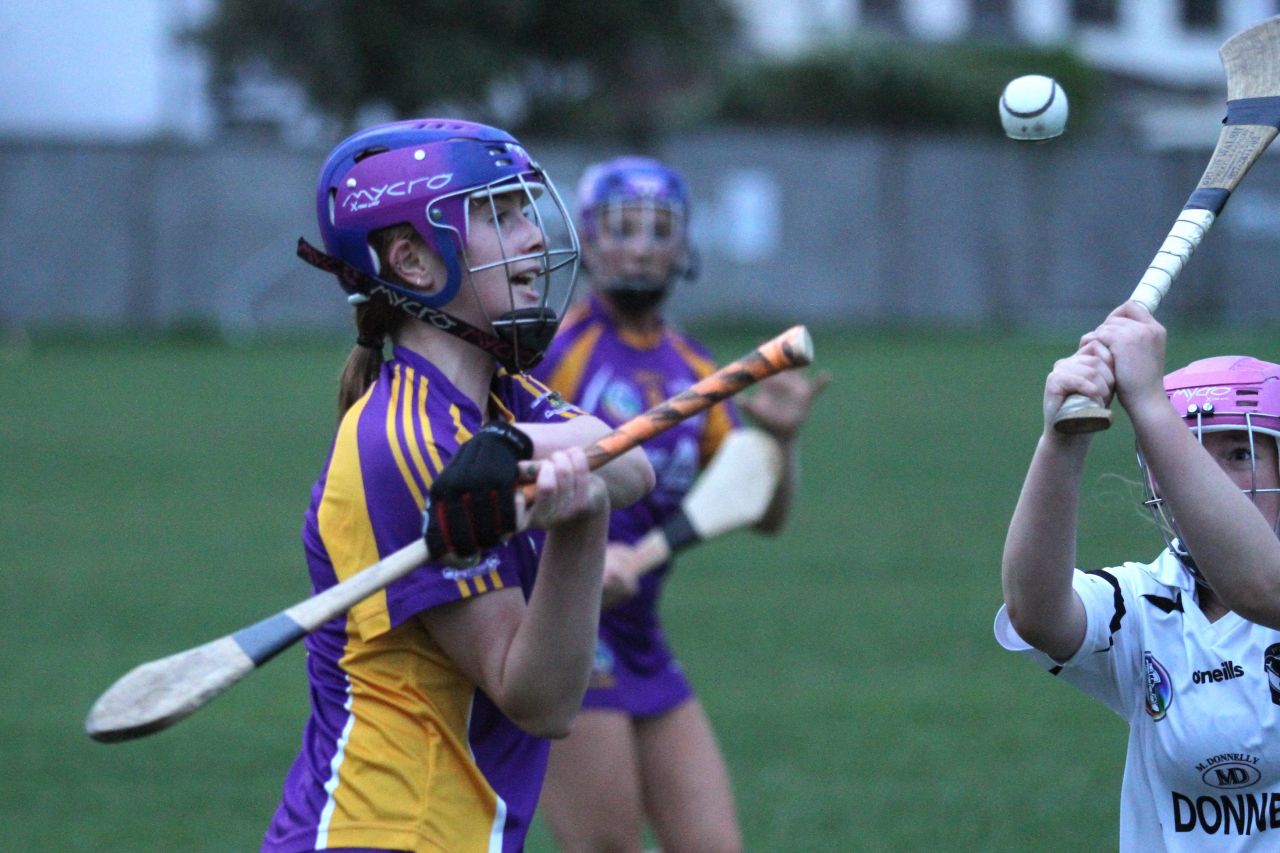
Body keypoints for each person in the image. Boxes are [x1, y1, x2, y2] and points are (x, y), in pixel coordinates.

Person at [261, 119, 654, 853]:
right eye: (497, 216)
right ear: (412, 259)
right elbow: (537, 697)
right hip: (387, 833)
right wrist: (580, 516)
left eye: (522, 211)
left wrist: (516, 448)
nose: (533, 235)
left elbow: (633, 461)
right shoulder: (403, 441)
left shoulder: (504, 399)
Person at [531, 156, 827, 852]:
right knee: (607, 847)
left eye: (658, 228)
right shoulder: (554, 355)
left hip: (642, 633)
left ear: (684, 243)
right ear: (588, 239)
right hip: (569, 632)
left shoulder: (697, 371)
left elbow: (765, 512)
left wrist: (779, 444)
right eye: (621, 227)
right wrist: (579, 564)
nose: (639, 245)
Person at [997, 300, 1280, 850]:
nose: (1211, 478)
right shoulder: (1147, 601)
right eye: (1190, 453)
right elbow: (1036, 613)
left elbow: (1259, 586)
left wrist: (1151, 403)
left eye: (1240, 453)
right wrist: (1061, 442)